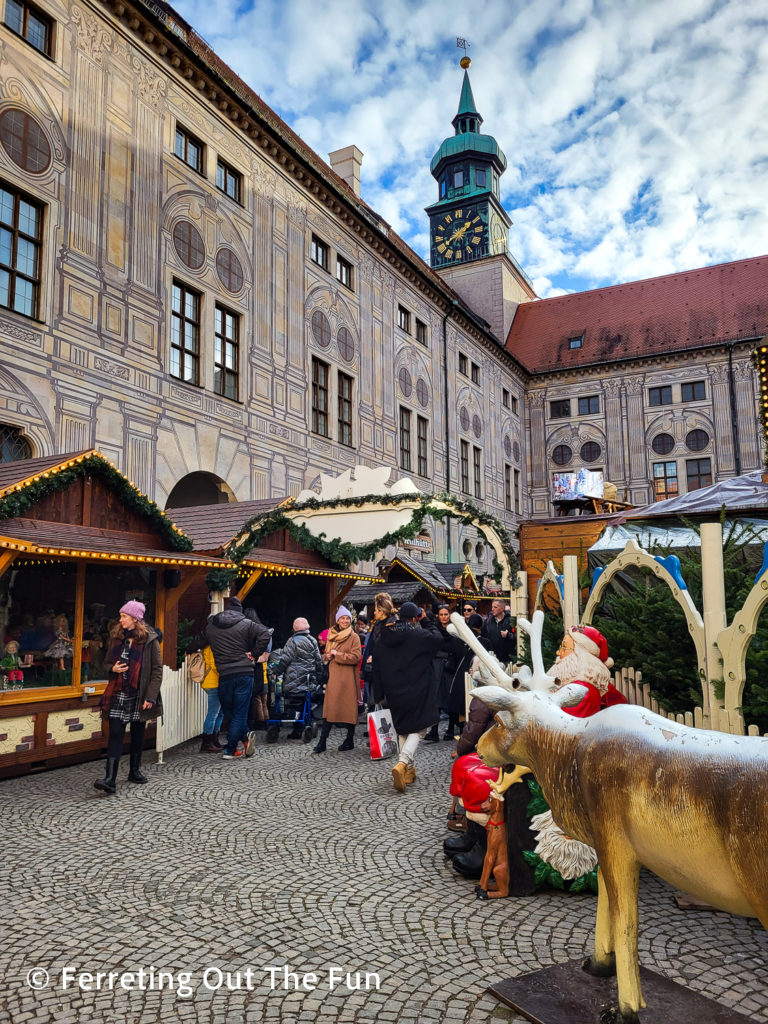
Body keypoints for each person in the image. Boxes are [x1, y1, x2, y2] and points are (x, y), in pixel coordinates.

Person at [373, 600, 444, 792]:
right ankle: (402, 763)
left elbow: (376, 667)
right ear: (414, 618)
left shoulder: (383, 636)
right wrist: (427, 620)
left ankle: (408, 772)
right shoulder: (417, 634)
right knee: (420, 729)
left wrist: (378, 694)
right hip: (418, 688)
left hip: (393, 690)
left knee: (403, 729)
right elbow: (437, 638)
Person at [94, 600, 162, 795]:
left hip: (139, 694)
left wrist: (151, 696)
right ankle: (110, 779)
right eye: (121, 616)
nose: (121, 619)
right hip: (118, 692)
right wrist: (112, 669)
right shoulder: (116, 637)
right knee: (115, 734)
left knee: (138, 734)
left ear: (135, 618)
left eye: (124, 616)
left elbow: (157, 670)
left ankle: (134, 771)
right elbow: (105, 663)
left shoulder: (150, 640)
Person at [191, 597, 271, 760]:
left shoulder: (212, 627)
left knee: (230, 712)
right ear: (239, 611)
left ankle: (240, 741)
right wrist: (255, 654)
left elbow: (196, 642)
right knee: (239, 713)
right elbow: (265, 633)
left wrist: (188, 650)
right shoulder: (246, 624)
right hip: (244, 673)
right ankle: (231, 749)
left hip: (225, 675)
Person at [547, 624, 628, 717]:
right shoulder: (576, 681)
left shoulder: (582, 689)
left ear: (580, 654)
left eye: (564, 647)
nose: (558, 653)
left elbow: (565, 723)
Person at [313, 606, 362, 753]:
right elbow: (327, 655)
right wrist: (326, 657)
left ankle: (350, 740)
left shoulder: (354, 637)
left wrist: (338, 654)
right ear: (338, 620)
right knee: (329, 711)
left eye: (347, 618)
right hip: (333, 679)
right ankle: (322, 742)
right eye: (342, 618)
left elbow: (356, 657)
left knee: (349, 711)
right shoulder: (331, 636)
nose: (345, 621)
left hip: (347, 679)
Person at [269, 617, 322, 739]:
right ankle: (301, 727)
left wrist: (276, 672)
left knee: (287, 699)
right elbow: (318, 661)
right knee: (303, 702)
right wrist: (319, 676)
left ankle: (283, 725)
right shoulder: (313, 641)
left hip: (291, 684)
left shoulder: (292, 641)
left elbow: (284, 660)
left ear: (294, 629)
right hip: (308, 682)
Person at [424, 605, 459, 742]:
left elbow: (454, 646)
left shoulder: (454, 630)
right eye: (442, 614)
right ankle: (434, 731)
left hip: (450, 666)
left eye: (446, 614)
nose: (444, 617)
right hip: (436, 665)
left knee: (451, 697)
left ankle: (450, 729)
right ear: (438, 615)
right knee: (436, 697)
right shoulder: (435, 629)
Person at [362, 592, 396, 710]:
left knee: (385, 702)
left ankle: (383, 727)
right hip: (375, 669)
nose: (374, 612)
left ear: (382, 610)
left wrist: (375, 657)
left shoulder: (392, 625)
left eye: (376, 609)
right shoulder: (377, 624)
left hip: (386, 671)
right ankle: (376, 727)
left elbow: (389, 648)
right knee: (374, 700)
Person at [199, 645, 222, 752]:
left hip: (213, 682)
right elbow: (215, 665)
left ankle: (214, 740)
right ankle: (207, 742)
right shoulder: (212, 646)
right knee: (213, 714)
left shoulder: (210, 645)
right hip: (213, 682)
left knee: (220, 712)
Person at [481, 599, 516, 664]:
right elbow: (484, 637)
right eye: (492, 607)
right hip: (492, 659)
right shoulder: (488, 621)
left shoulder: (511, 621)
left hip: (507, 660)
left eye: (495, 607)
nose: (492, 609)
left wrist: (508, 635)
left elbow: (518, 637)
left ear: (502, 609)